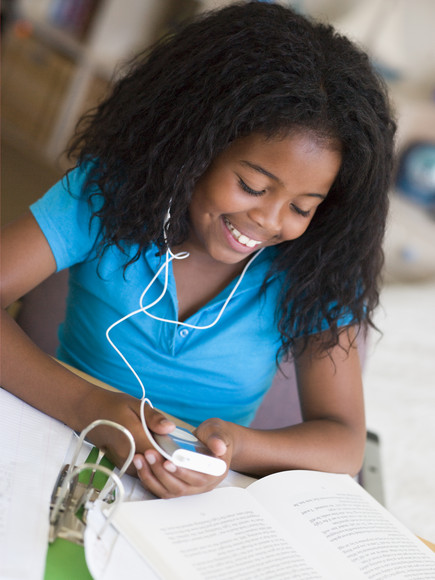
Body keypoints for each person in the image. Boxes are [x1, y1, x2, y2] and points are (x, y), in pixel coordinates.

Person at [1, 1, 395, 499]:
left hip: (193, 496)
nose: (271, 222)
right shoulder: (107, 195)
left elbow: (343, 443)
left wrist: (233, 447)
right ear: (194, 146)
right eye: (253, 186)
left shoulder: (315, 267)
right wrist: (85, 405)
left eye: (302, 207)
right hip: (58, 440)